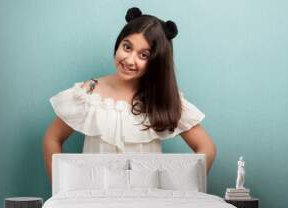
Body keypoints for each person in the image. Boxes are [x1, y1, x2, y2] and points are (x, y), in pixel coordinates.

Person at [43, 7, 216, 182]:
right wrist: (63, 190)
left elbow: (206, 147)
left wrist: (187, 191)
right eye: (127, 47)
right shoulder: (90, 92)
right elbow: (52, 138)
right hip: (96, 202)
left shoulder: (163, 98)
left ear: (156, 62)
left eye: (143, 55)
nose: (130, 60)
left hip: (146, 202)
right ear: (118, 44)